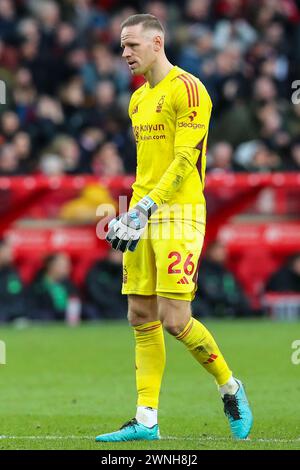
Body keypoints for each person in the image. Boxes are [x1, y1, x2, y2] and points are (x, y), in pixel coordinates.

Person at [96, 14, 253, 443]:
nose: (125, 54)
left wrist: (145, 208)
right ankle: (146, 419)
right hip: (143, 213)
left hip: (179, 214)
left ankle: (230, 387)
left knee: (175, 319)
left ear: (157, 42)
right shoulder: (137, 101)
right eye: (122, 47)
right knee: (140, 315)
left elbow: (185, 161)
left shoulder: (189, 88)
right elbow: (146, 168)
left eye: (132, 45)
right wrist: (128, 213)